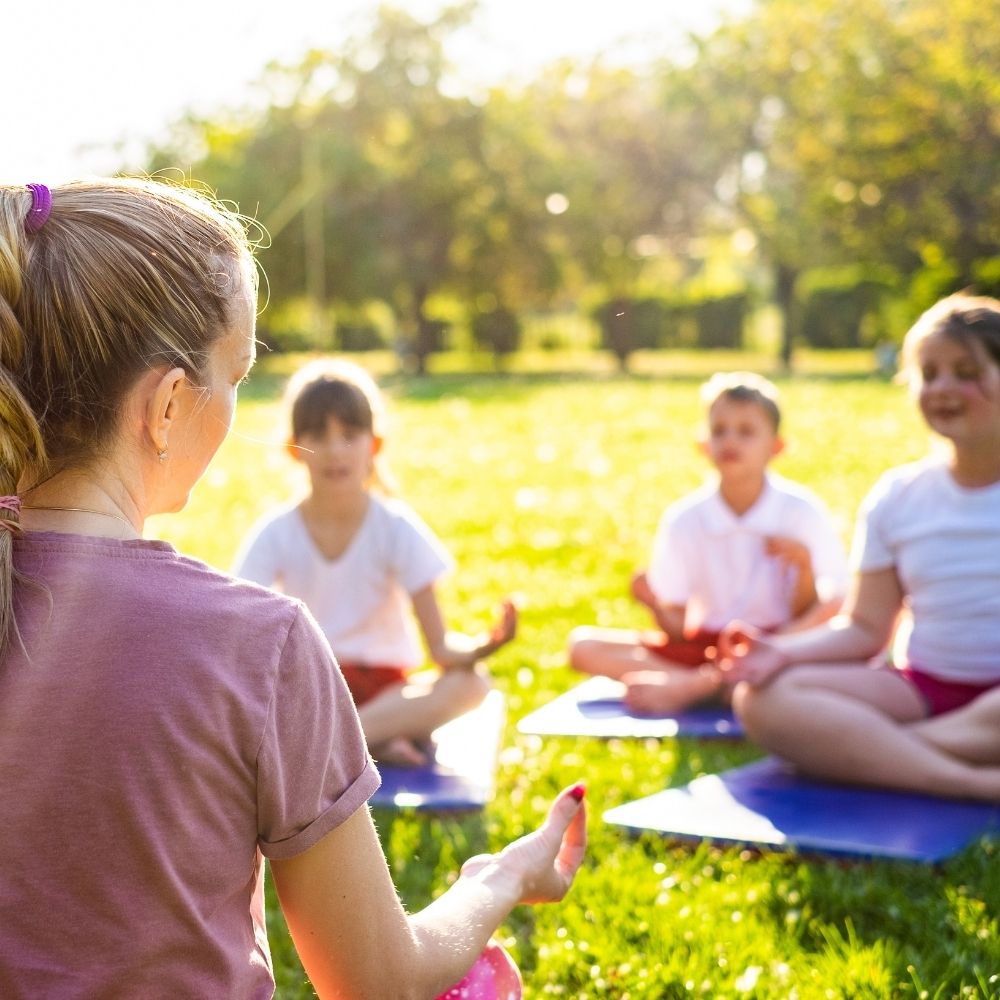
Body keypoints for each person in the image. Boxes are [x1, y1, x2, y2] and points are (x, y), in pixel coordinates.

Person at [0, 179, 585, 998]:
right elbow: (380, 983)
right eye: (236, 374)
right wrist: (497, 878)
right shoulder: (260, 644)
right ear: (167, 405)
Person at [723, 294, 1000, 802]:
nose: (943, 388)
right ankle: (973, 781)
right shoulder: (898, 498)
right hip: (923, 690)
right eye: (929, 373)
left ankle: (872, 754)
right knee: (763, 700)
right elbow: (866, 627)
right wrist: (778, 651)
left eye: (966, 371)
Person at [232, 358, 517, 766]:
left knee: (470, 686)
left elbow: (441, 648)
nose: (334, 450)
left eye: (349, 435)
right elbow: (241, 634)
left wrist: (484, 646)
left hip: (388, 695)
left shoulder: (395, 527)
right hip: (313, 690)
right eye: (318, 435)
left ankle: (342, 745)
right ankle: (375, 745)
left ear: (374, 445)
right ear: (295, 448)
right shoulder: (275, 532)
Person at [568, 371, 848, 715]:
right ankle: (726, 688)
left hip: (777, 644)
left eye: (746, 431)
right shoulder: (684, 520)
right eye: (719, 430)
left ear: (776, 447)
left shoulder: (801, 511)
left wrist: (803, 567)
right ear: (704, 444)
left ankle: (697, 688)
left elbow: (826, 606)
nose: (730, 441)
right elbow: (678, 631)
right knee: (582, 646)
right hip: (706, 647)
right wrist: (654, 604)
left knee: (839, 622)